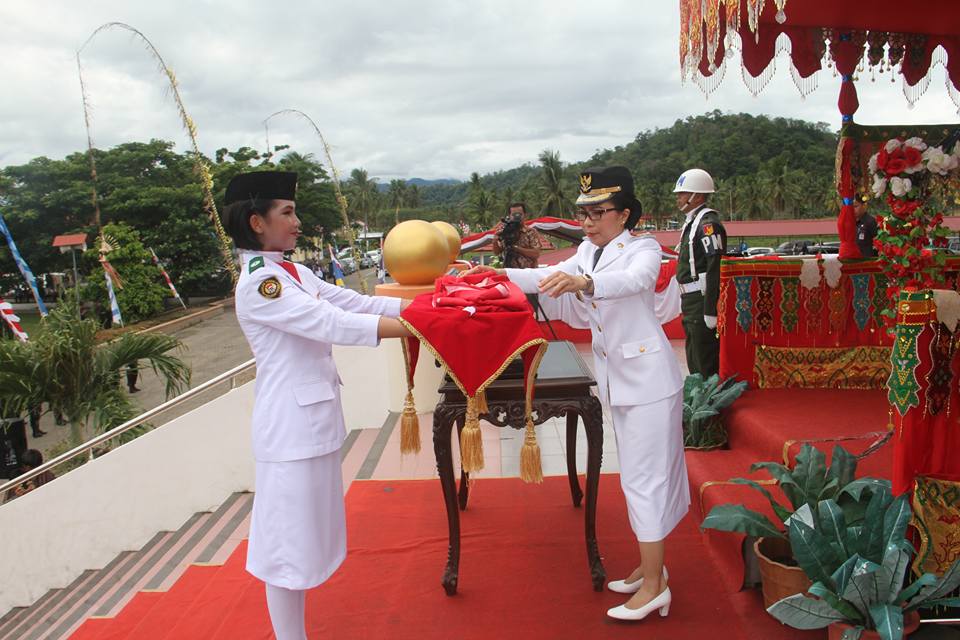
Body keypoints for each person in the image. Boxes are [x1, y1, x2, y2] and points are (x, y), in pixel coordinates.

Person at [462, 166, 688, 622]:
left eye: (597, 212)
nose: (587, 220)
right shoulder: (588, 251)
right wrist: (485, 276)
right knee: (636, 480)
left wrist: (587, 284)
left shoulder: (641, 248)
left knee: (645, 482)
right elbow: (541, 279)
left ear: (623, 215)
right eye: (583, 211)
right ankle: (652, 573)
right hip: (622, 383)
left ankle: (654, 586)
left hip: (647, 383)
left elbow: (638, 281)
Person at [222, 171, 412, 640]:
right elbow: (329, 322)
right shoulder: (260, 284)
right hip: (288, 431)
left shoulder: (293, 271)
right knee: (286, 548)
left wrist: (426, 308)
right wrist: (424, 329)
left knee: (305, 541)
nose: (297, 221)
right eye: (286, 212)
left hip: (313, 423)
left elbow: (352, 302)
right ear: (256, 222)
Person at [673, 168, 726, 378]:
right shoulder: (693, 222)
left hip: (701, 298)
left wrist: (710, 309)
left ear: (698, 195)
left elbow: (715, 268)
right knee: (694, 356)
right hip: (691, 298)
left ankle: (711, 407)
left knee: (705, 360)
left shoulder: (708, 225)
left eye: (683, 193)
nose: (679, 198)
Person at [491, 202, 543, 269]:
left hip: (528, 273)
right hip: (509, 273)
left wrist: (516, 248)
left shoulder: (530, 232)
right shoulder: (505, 230)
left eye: (519, 214)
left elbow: (536, 254)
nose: (517, 217)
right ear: (509, 216)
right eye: (514, 215)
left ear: (525, 215)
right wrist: (495, 241)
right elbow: (496, 252)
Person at [853, 193, 877, 258]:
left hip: (868, 262)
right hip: (854, 261)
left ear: (864, 205)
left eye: (855, 206)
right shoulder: (851, 223)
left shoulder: (871, 221)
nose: (852, 209)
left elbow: (878, 243)